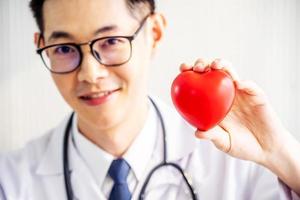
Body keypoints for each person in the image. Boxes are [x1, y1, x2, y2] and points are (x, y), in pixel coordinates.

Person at [0, 0, 299, 199]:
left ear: (154, 33)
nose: (90, 74)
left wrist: (279, 153)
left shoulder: (239, 167)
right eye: (64, 48)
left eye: (111, 41)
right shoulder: (11, 182)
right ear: (42, 46)